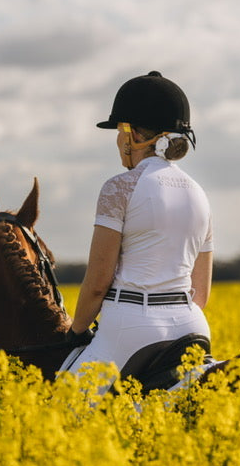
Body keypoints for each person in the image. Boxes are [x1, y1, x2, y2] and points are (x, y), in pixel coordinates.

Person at [59, 71, 213, 387]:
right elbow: (203, 290)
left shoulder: (120, 188)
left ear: (131, 134)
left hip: (130, 329)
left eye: (118, 130)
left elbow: (98, 283)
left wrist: (75, 332)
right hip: (192, 324)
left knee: (61, 411)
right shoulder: (199, 193)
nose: (117, 140)